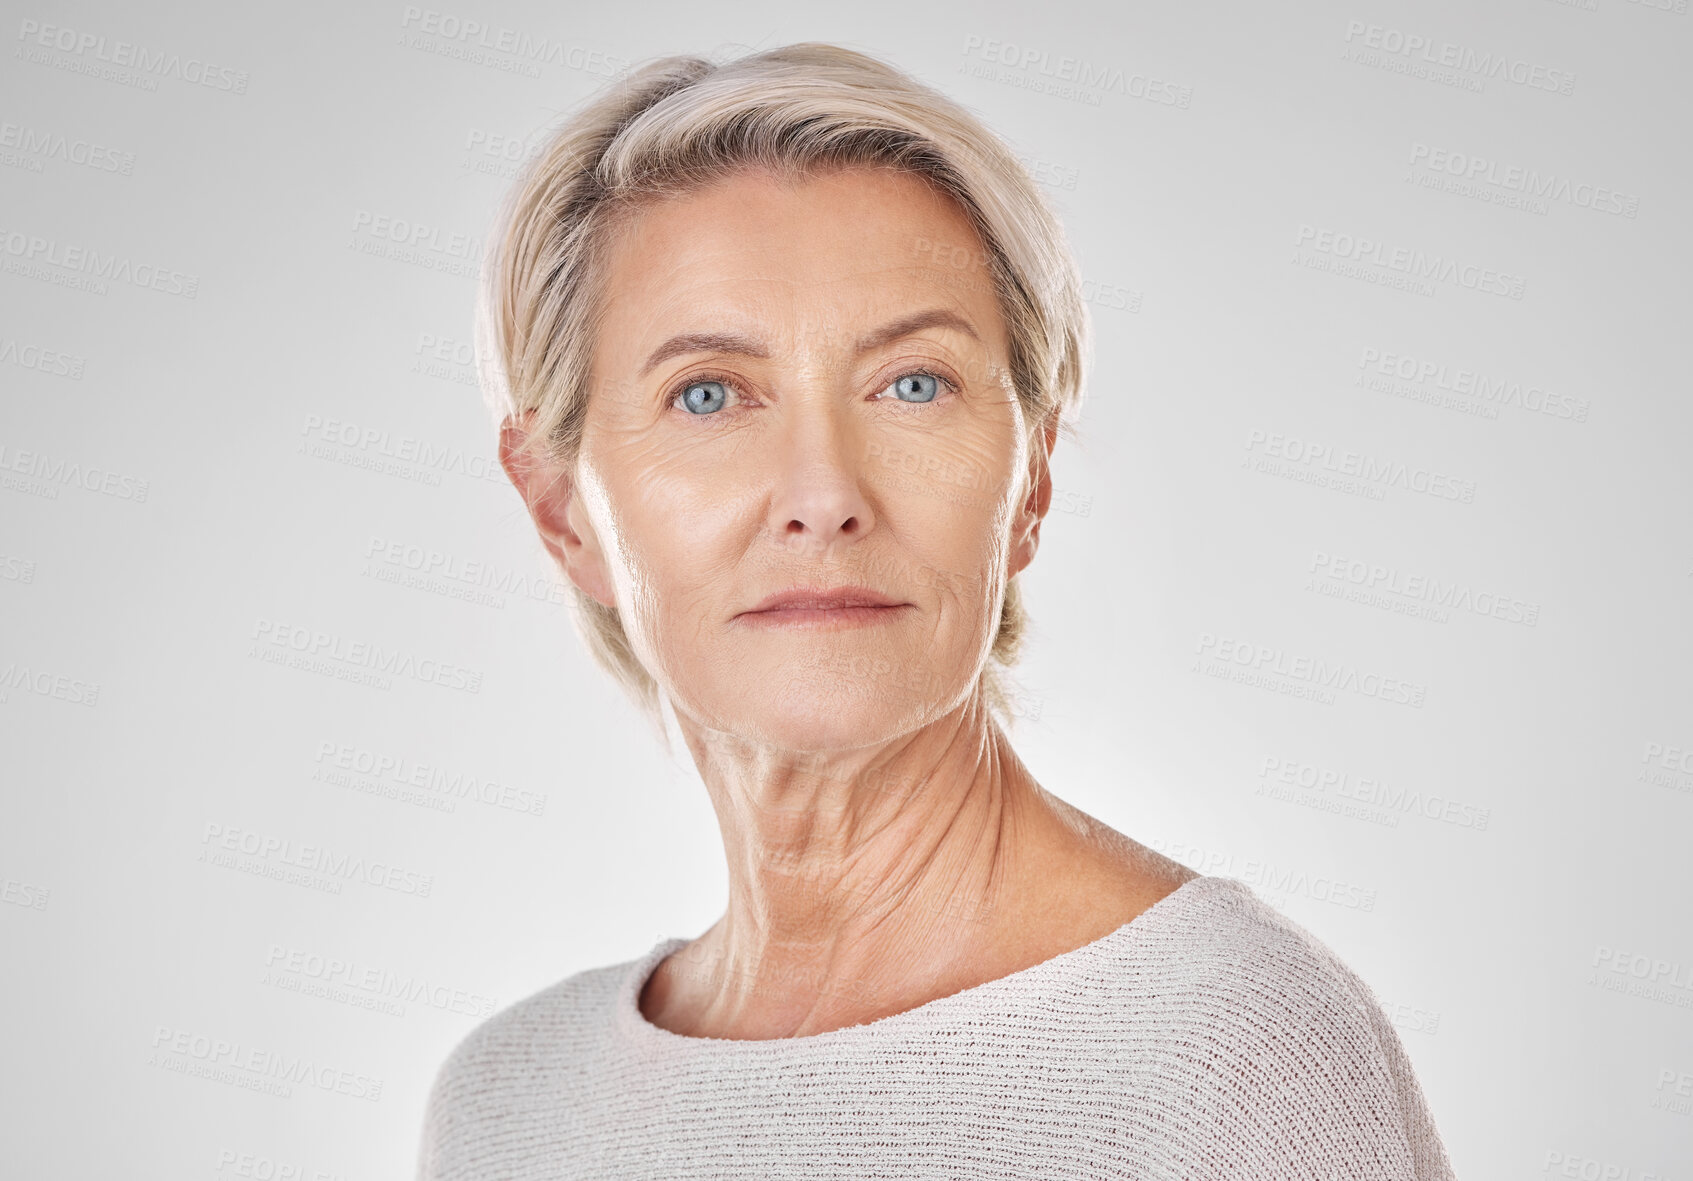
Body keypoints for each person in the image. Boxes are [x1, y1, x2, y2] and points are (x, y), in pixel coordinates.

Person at [415, 41, 1457, 1181]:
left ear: (1030, 484)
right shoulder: (505, 1106)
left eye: (913, 383)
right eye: (707, 393)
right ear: (561, 506)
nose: (824, 496)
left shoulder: (1232, 1059)